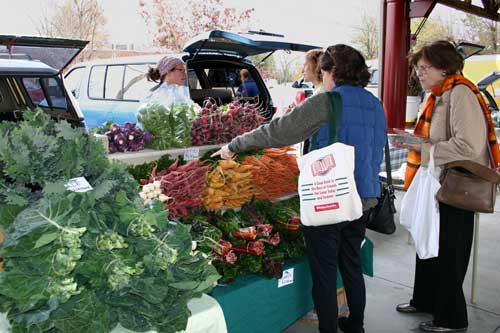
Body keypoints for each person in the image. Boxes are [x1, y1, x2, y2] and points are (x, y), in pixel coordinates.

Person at [213, 44, 387, 333]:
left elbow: (279, 130)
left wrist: (235, 144)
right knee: (351, 265)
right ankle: (355, 325)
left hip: (329, 200)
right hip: (363, 198)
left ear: (329, 70)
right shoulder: (374, 103)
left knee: (325, 272)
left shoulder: (328, 101)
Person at [394, 40, 500, 333]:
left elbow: (469, 145)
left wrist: (424, 147)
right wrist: (417, 143)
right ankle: (425, 300)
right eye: (418, 68)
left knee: (449, 252)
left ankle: (452, 319)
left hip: (457, 184)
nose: (420, 74)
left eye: (425, 68)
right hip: (436, 180)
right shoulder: (439, 94)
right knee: (428, 243)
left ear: (445, 68)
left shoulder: (461, 93)